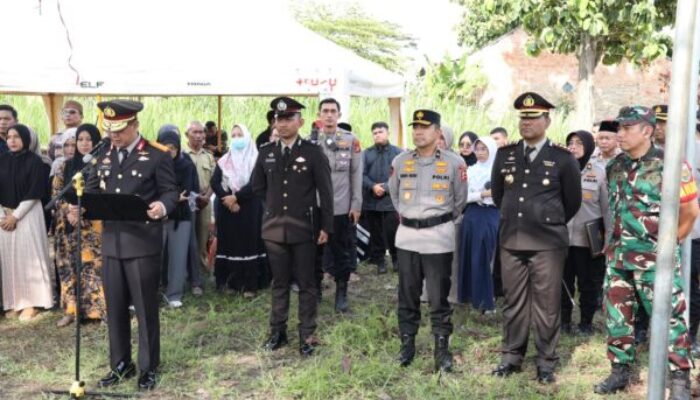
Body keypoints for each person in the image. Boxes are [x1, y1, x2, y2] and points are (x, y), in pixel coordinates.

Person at [594, 106, 699, 398]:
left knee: (671, 319)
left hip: (655, 261)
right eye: (619, 128)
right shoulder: (615, 166)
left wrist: (667, 246)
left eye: (627, 128)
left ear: (647, 131)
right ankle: (620, 371)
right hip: (618, 258)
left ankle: (679, 379)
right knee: (617, 317)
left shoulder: (672, 164)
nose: (621, 134)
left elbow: (690, 212)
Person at [490, 92, 581, 384]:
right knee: (513, 302)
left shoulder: (563, 158)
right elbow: (497, 195)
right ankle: (511, 357)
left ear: (547, 120)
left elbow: (572, 202)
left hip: (547, 244)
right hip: (511, 241)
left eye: (533, 118)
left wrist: (546, 222)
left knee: (547, 304)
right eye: (523, 118)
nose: (526, 123)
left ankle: (545, 362)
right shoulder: (506, 154)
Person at [87, 100, 178, 391]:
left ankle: (149, 367)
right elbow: (90, 190)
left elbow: (170, 192)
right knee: (114, 309)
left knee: (145, 308)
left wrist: (162, 207)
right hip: (112, 245)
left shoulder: (156, 155)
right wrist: (80, 207)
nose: (114, 135)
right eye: (110, 129)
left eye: (120, 129)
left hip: (142, 244)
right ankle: (120, 364)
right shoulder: (103, 155)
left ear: (135, 125)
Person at [252, 96, 333, 357]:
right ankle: (278, 332)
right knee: (279, 282)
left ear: (300, 121)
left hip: (304, 228)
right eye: (279, 119)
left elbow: (326, 192)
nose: (283, 123)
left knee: (307, 284)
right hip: (274, 229)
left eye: (288, 119)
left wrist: (326, 226)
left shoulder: (312, 152)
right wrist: (272, 207)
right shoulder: (267, 152)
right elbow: (257, 186)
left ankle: (307, 335)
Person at [389, 109, 467, 372]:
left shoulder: (455, 163)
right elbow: (395, 197)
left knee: (438, 297)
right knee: (407, 295)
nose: (418, 131)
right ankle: (407, 346)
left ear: (438, 131)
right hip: (408, 238)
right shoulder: (400, 162)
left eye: (424, 127)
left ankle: (441, 350)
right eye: (415, 127)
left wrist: (435, 221)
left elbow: (460, 202)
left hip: (438, 239)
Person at [312, 98, 362, 313]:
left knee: (341, 253)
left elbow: (356, 174)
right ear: (319, 114)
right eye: (325, 111)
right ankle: (315, 291)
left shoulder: (350, 140)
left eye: (333, 111)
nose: (329, 115)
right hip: (316, 206)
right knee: (314, 253)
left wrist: (356, 204)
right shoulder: (310, 142)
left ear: (339, 115)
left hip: (341, 206)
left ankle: (341, 295)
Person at [53, 123, 106, 327]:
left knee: (94, 270)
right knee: (69, 269)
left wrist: (82, 210)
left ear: (97, 142)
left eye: (89, 140)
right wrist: (69, 210)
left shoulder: (102, 164)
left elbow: (104, 194)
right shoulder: (64, 166)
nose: (84, 144)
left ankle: (100, 311)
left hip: (92, 226)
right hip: (67, 225)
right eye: (80, 140)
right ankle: (71, 311)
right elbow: (56, 194)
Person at [0, 124, 54, 321]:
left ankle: (32, 302)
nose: (12, 140)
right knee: (9, 260)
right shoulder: (2, 159)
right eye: (9, 137)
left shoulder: (36, 162)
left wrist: (16, 216)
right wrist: (3, 216)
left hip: (28, 214)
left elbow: (35, 190)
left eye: (17, 137)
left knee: (28, 257)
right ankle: (14, 301)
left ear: (26, 139)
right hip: (4, 216)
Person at [560, 130, 610, 336]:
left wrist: (608, 237)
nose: (573, 146)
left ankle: (586, 323)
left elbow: (607, 209)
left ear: (589, 146)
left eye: (579, 143)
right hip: (562, 239)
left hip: (589, 239)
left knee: (588, 284)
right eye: (570, 142)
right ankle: (563, 322)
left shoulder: (599, 173)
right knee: (563, 282)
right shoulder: (559, 170)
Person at [211, 124, 266, 297]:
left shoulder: (256, 158)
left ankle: (250, 285)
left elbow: (256, 183)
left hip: (250, 208)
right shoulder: (225, 160)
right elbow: (215, 182)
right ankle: (229, 283)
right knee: (230, 243)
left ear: (247, 136)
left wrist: (237, 197)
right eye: (233, 135)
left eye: (239, 134)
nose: (236, 138)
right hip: (228, 210)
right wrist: (228, 199)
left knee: (248, 243)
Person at [157, 124, 199, 308]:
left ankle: (174, 294)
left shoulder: (186, 165)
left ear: (178, 148)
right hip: (158, 216)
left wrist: (169, 198)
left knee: (178, 257)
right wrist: (173, 197)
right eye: (165, 148)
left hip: (181, 217)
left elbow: (187, 192)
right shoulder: (154, 165)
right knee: (156, 256)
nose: (169, 151)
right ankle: (155, 290)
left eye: (172, 148)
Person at [458, 136, 499, 312]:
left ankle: (485, 300)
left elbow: (500, 197)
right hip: (472, 214)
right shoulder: (471, 170)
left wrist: (486, 195)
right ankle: (468, 295)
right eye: (479, 149)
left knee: (484, 256)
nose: (481, 153)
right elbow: (463, 196)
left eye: (485, 149)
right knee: (468, 254)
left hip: (490, 215)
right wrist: (481, 195)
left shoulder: (499, 172)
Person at [362, 121, 401, 274]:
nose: (378, 135)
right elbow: (361, 174)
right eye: (375, 133)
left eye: (380, 132)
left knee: (393, 231)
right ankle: (380, 262)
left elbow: (400, 175)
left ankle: (396, 259)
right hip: (371, 200)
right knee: (376, 233)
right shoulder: (366, 153)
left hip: (390, 200)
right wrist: (373, 186)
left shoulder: (398, 153)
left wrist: (384, 187)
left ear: (388, 133)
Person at [183, 121, 216, 295]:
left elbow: (215, 179)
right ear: (186, 134)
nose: (200, 135)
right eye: (195, 132)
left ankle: (202, 276)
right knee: (188, 241)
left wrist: (208, 196)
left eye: (202, 132)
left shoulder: (208, 156)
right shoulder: (181, 154)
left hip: (204, 203)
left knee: (202, 239)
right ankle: (189, 276)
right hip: (186, 204)